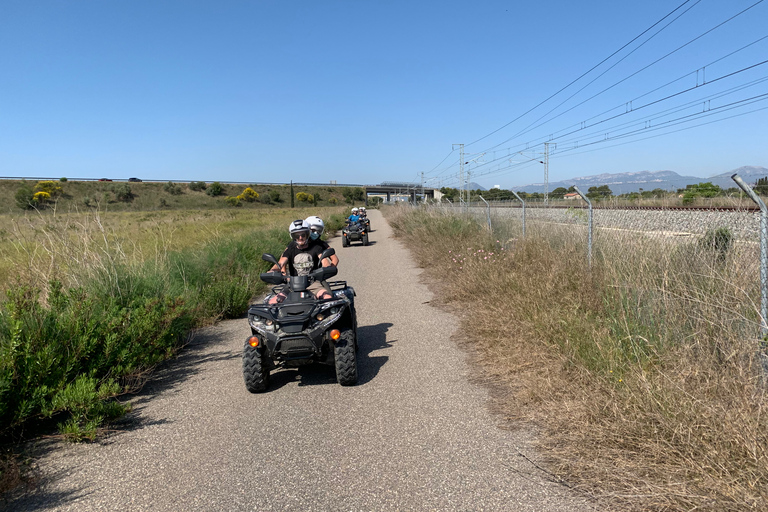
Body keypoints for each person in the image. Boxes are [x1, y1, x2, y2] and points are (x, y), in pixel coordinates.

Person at [268, 219, 335, 303]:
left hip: (312, 283)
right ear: (292, 236)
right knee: (272, 302)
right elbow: (281, 263)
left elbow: (324, 261)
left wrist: (326, 268)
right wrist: (272, 271)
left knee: (327, 298)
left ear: (308, 234)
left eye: (303, 234)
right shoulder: (291, 248)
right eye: (296, 235)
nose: (300, 238)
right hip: (293, 284)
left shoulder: (316, 247)